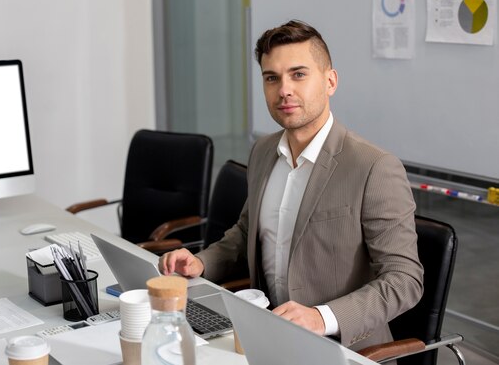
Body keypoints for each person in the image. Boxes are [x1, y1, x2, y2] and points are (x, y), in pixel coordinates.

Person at [159, 20, 423, 352]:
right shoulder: (263, 151)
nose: (284, 89)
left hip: (342, 350)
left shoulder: (373, 167)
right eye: (272, 78)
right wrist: (202, 263)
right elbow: (245, 232)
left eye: (298, 74)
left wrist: (320, 317)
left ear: (330, 81)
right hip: (265, 338)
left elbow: (404, 280)